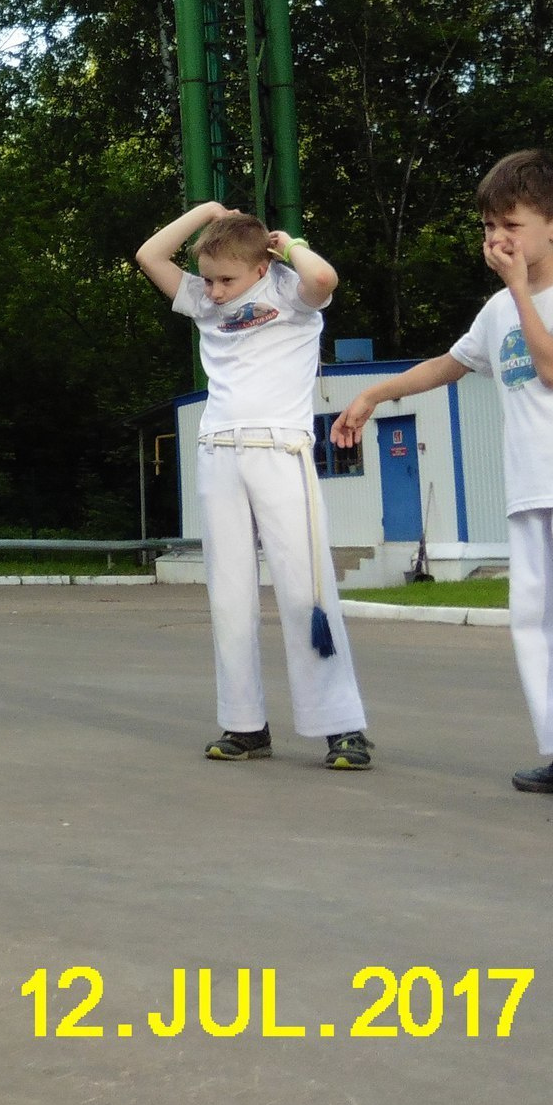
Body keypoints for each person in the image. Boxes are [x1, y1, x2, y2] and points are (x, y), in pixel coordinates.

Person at [333, 150, 553, 805]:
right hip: (532, 485)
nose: (496, 239)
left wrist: (518, 292)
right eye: (487, 228)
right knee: (539, 622)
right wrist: (372, 397)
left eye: (510, 225)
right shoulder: (498, 311)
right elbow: (448, 364)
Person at [138, 201, 372, 770]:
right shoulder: (201, 300)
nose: (215, 292)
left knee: (305, 588)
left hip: (280, 449)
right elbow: (149, 254)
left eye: (227, 280)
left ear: (262, 266)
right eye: (210, 279)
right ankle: (244, 724)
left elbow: (323, 277)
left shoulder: (290, 290)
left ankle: (341, 727)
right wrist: (206, 212)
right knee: (229, 593)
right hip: (218, 451)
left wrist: (284, 242)